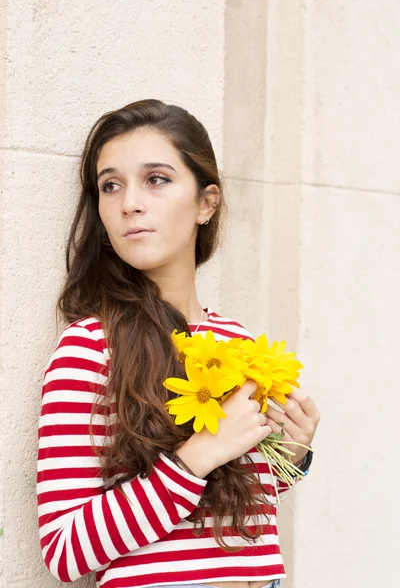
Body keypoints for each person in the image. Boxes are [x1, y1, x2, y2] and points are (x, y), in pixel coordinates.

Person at [36, 99, 320, 588]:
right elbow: (64, 550)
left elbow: (219, 521)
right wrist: (197, 456)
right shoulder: (89, 347)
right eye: (111, 186)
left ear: (206, 203)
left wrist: (291, 458)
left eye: (156, 179)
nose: (129, 203)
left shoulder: (242, 340)